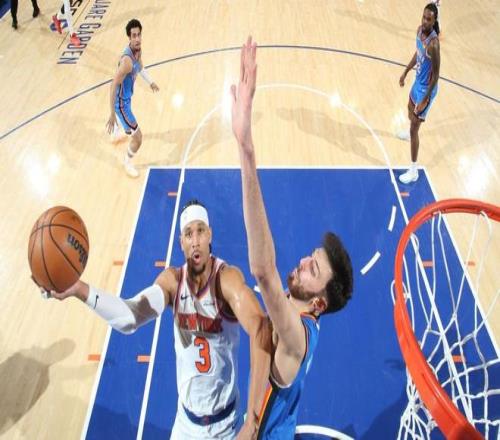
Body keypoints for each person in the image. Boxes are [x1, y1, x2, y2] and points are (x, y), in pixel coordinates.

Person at [38, 200, 271, 439]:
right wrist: (79, 289)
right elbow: (130, 317)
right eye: (188, 234)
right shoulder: (173, 282)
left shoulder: (226, 280)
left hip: (226, 426)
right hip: (186, 425)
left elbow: (261, 328)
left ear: (210, 234)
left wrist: (252, 422)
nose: (195, 240)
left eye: (200, 231)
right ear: (181, 242)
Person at [230, 37, 354, 438]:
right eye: (310, 256)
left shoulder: (296, 338)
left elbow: (264, 271)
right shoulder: (300, 320)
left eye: (312, 269)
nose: (302, 262)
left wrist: (246, 148)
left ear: (318, 303)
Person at [105, 19, 159, 178]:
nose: (137, 38)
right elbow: (113, 85)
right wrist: (112, 113)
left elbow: (140, 66)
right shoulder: (126, 62)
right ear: (129, 38)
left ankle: (116, 131)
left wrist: (151, 82)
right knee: (138, 138)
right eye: (133, 36)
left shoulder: (138, 50)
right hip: (121, 104)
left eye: (139, 34)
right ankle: (127, 162)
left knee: (127, 128)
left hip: (126, 98)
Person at [397, 3, 440, 184]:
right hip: (417, 82)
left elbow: (436, 76)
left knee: (415, 127)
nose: (425, 21)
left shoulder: (434, 45)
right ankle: (411, 133)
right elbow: (417, 54)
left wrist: (425, 99)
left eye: (429, 19)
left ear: (434, 21)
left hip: (427, 89)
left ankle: (413, 170)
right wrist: (406, 71)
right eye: (424, 17)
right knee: (409, 110)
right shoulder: (419, 31)